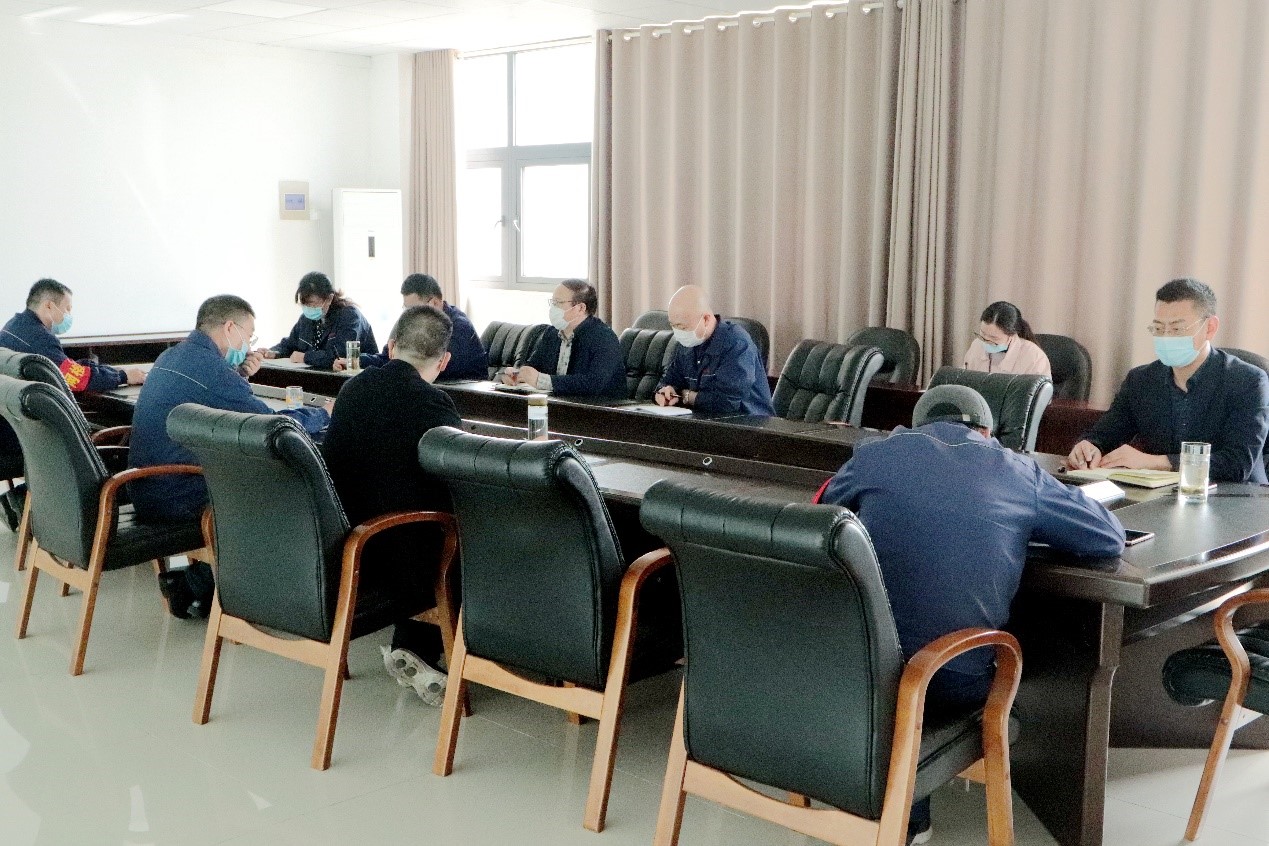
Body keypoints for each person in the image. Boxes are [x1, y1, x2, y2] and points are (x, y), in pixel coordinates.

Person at [819, 384, 1125, 845]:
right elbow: (1107, 537)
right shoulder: (1016, 470)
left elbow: (822, 512)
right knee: (950, 656)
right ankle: (908, 810)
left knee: (897, 652)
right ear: (986, 432)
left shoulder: (874, 456)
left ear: (913, 426)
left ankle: (905, 813)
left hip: (857, 669)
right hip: (951, 678)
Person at [128, 295, 330, 619]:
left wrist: (238, 375)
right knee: (282, 491)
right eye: (248, 335)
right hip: (177, 493)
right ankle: (210, 586)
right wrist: (322, 413)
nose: (248, 344)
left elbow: (218, 397)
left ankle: (197, 583)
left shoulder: (173, 355)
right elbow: (272, 426)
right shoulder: (211, 369)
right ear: (230, 327)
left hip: (145, 486)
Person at [322, 305, 461, 705]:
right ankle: (428, 649)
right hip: (398, 561)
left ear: (391, 345)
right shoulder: (434, 404)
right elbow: (454, 484)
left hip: (348, 544)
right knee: (463, 533)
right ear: (444, 361)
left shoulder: (353, 389)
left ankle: (413, 646)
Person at [1068, 277, 1269, 483]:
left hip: (1236, 496)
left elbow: (1237, 464)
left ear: (1210, 327)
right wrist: (1089, 446)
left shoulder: (1249, 381)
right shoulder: (1141, 381)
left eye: (1176, 329)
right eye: (1158, 328)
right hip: (1164, 494)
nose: (1166, 337)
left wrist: (1156, 462)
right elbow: (1105, 434)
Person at [0, 279, 147, 530]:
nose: (68, 315)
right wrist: (123, 376)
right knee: (103, 447)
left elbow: (67, 367)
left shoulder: (15, 327)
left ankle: (21, 499)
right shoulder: (39, 338)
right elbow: (77, 379)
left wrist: (106, 371)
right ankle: (24, 498)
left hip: (12, 427)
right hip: (23, 437)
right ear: (49, 306)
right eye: (67, 309)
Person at [337, 273, 488, 380]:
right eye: (407, 309)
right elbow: (387, 358)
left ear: (435, 302)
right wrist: (356, 362)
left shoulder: (459, 326)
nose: (410, 314)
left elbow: (435, 367)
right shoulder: (412, 323)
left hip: (464, 394)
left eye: (414, 308)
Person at [654, 285, 774, 415]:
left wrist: (685, 396)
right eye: (673, 326)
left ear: (706, 319)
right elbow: (669, 380)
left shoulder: (736, 343)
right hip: (702, 420)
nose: (678, 333)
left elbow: (725, 403)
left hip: (745, 423)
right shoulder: (688, 343)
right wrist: (663, 392)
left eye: (682, 327)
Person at [503, 279, 626, 398]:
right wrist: (518, 375)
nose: (553, 308)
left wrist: (541, 380)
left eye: (558, 302)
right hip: (558, 403)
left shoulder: (603, 337)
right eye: (552, 302)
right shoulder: (551, 334)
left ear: (580, 308)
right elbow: (533, 366)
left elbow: (594, 383)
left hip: (599, 408)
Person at [260, 271, 378, 369]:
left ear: (329, 299)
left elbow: (341, 355)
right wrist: (274, 352)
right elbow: (290, 343)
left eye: (313, 304)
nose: (309, 309)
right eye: (305, 304)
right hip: (318, 375)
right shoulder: (306, 318)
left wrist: (305, 357)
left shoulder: (349, 315)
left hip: (354, 377)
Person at [961, 300, 1051, 377]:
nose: (986, 341)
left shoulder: (1034, 357)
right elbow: (964, 380)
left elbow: (1040, 391)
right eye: (983, 334)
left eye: (994, 338)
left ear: (1011, 335)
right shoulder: (977, 345)